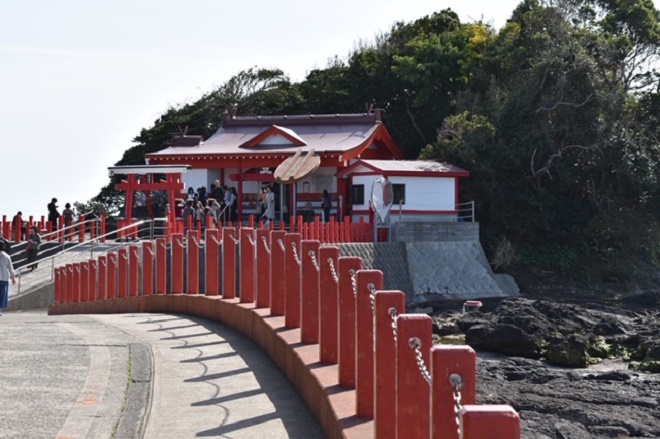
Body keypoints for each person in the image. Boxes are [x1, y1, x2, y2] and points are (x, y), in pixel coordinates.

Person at [0, 245, 17, 316]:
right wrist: (13, 277)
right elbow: (10, 268)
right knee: (2, 295)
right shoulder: (7, 257)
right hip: (4, 278)